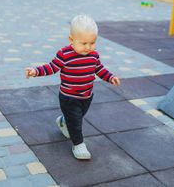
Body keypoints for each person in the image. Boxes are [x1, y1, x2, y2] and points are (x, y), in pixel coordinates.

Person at [25, 15, 121, 160]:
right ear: (71, 40)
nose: (88, 47)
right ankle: (78, 144)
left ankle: (63, 121)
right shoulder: (64, 54)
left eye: (92, 42)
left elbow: (99, 69)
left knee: (77, 117)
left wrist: (110, 77)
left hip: (87, 96)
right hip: (69, 97)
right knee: (76, 122)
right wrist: (35, 71)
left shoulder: (93, 55)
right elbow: (52, 67)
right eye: (83, 43)